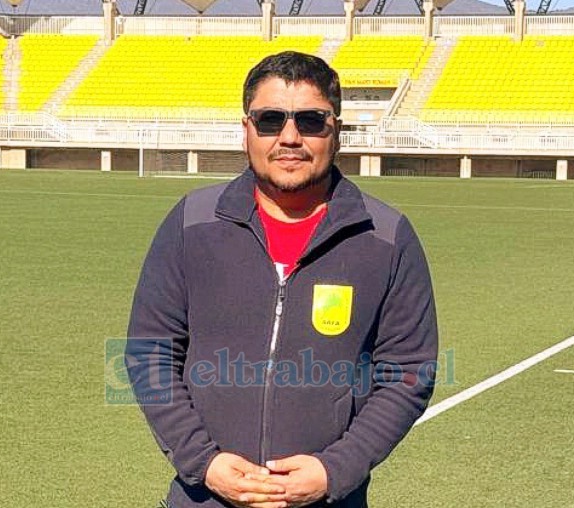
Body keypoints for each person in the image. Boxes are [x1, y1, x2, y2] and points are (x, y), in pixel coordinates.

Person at [125, 51, 438, 508]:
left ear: (336, 131)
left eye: (310, 121)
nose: (290, 137)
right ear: (246, 130)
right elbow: (149, 351)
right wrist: (205, 462)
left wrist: (335, 470)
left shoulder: (385, 237)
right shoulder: (192, 223)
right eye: (270, 120)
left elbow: (408, 373)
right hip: (202, 497)